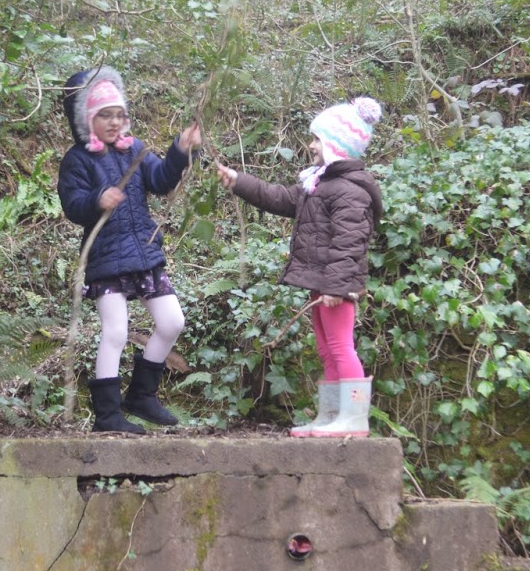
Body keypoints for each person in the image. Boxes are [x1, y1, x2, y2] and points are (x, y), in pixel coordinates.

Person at [216, 96, 384, 437]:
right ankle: (331, 416)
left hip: (336, 286)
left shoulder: (350, 192)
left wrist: (337, 288)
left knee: (341, 347)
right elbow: (278, 197)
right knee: (326, 348)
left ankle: (354, 418)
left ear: (336, 145)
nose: (311, 146)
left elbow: (349, 243)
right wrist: (238, 181)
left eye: (317, 140)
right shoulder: (319, 185)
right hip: (322, 283)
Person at [58, 66, 201, 434]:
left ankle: (141, 395)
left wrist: (181, 150)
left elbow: (161, 179)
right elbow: (73, 205)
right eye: (105, 115)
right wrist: (97, 199)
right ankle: (107, 416)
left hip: (144, 253)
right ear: (87, 118)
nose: (114, 122)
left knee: (172, 322)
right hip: (106, 258)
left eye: (119, 114)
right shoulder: (78, 159)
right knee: (116, 332)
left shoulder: (134, 148)